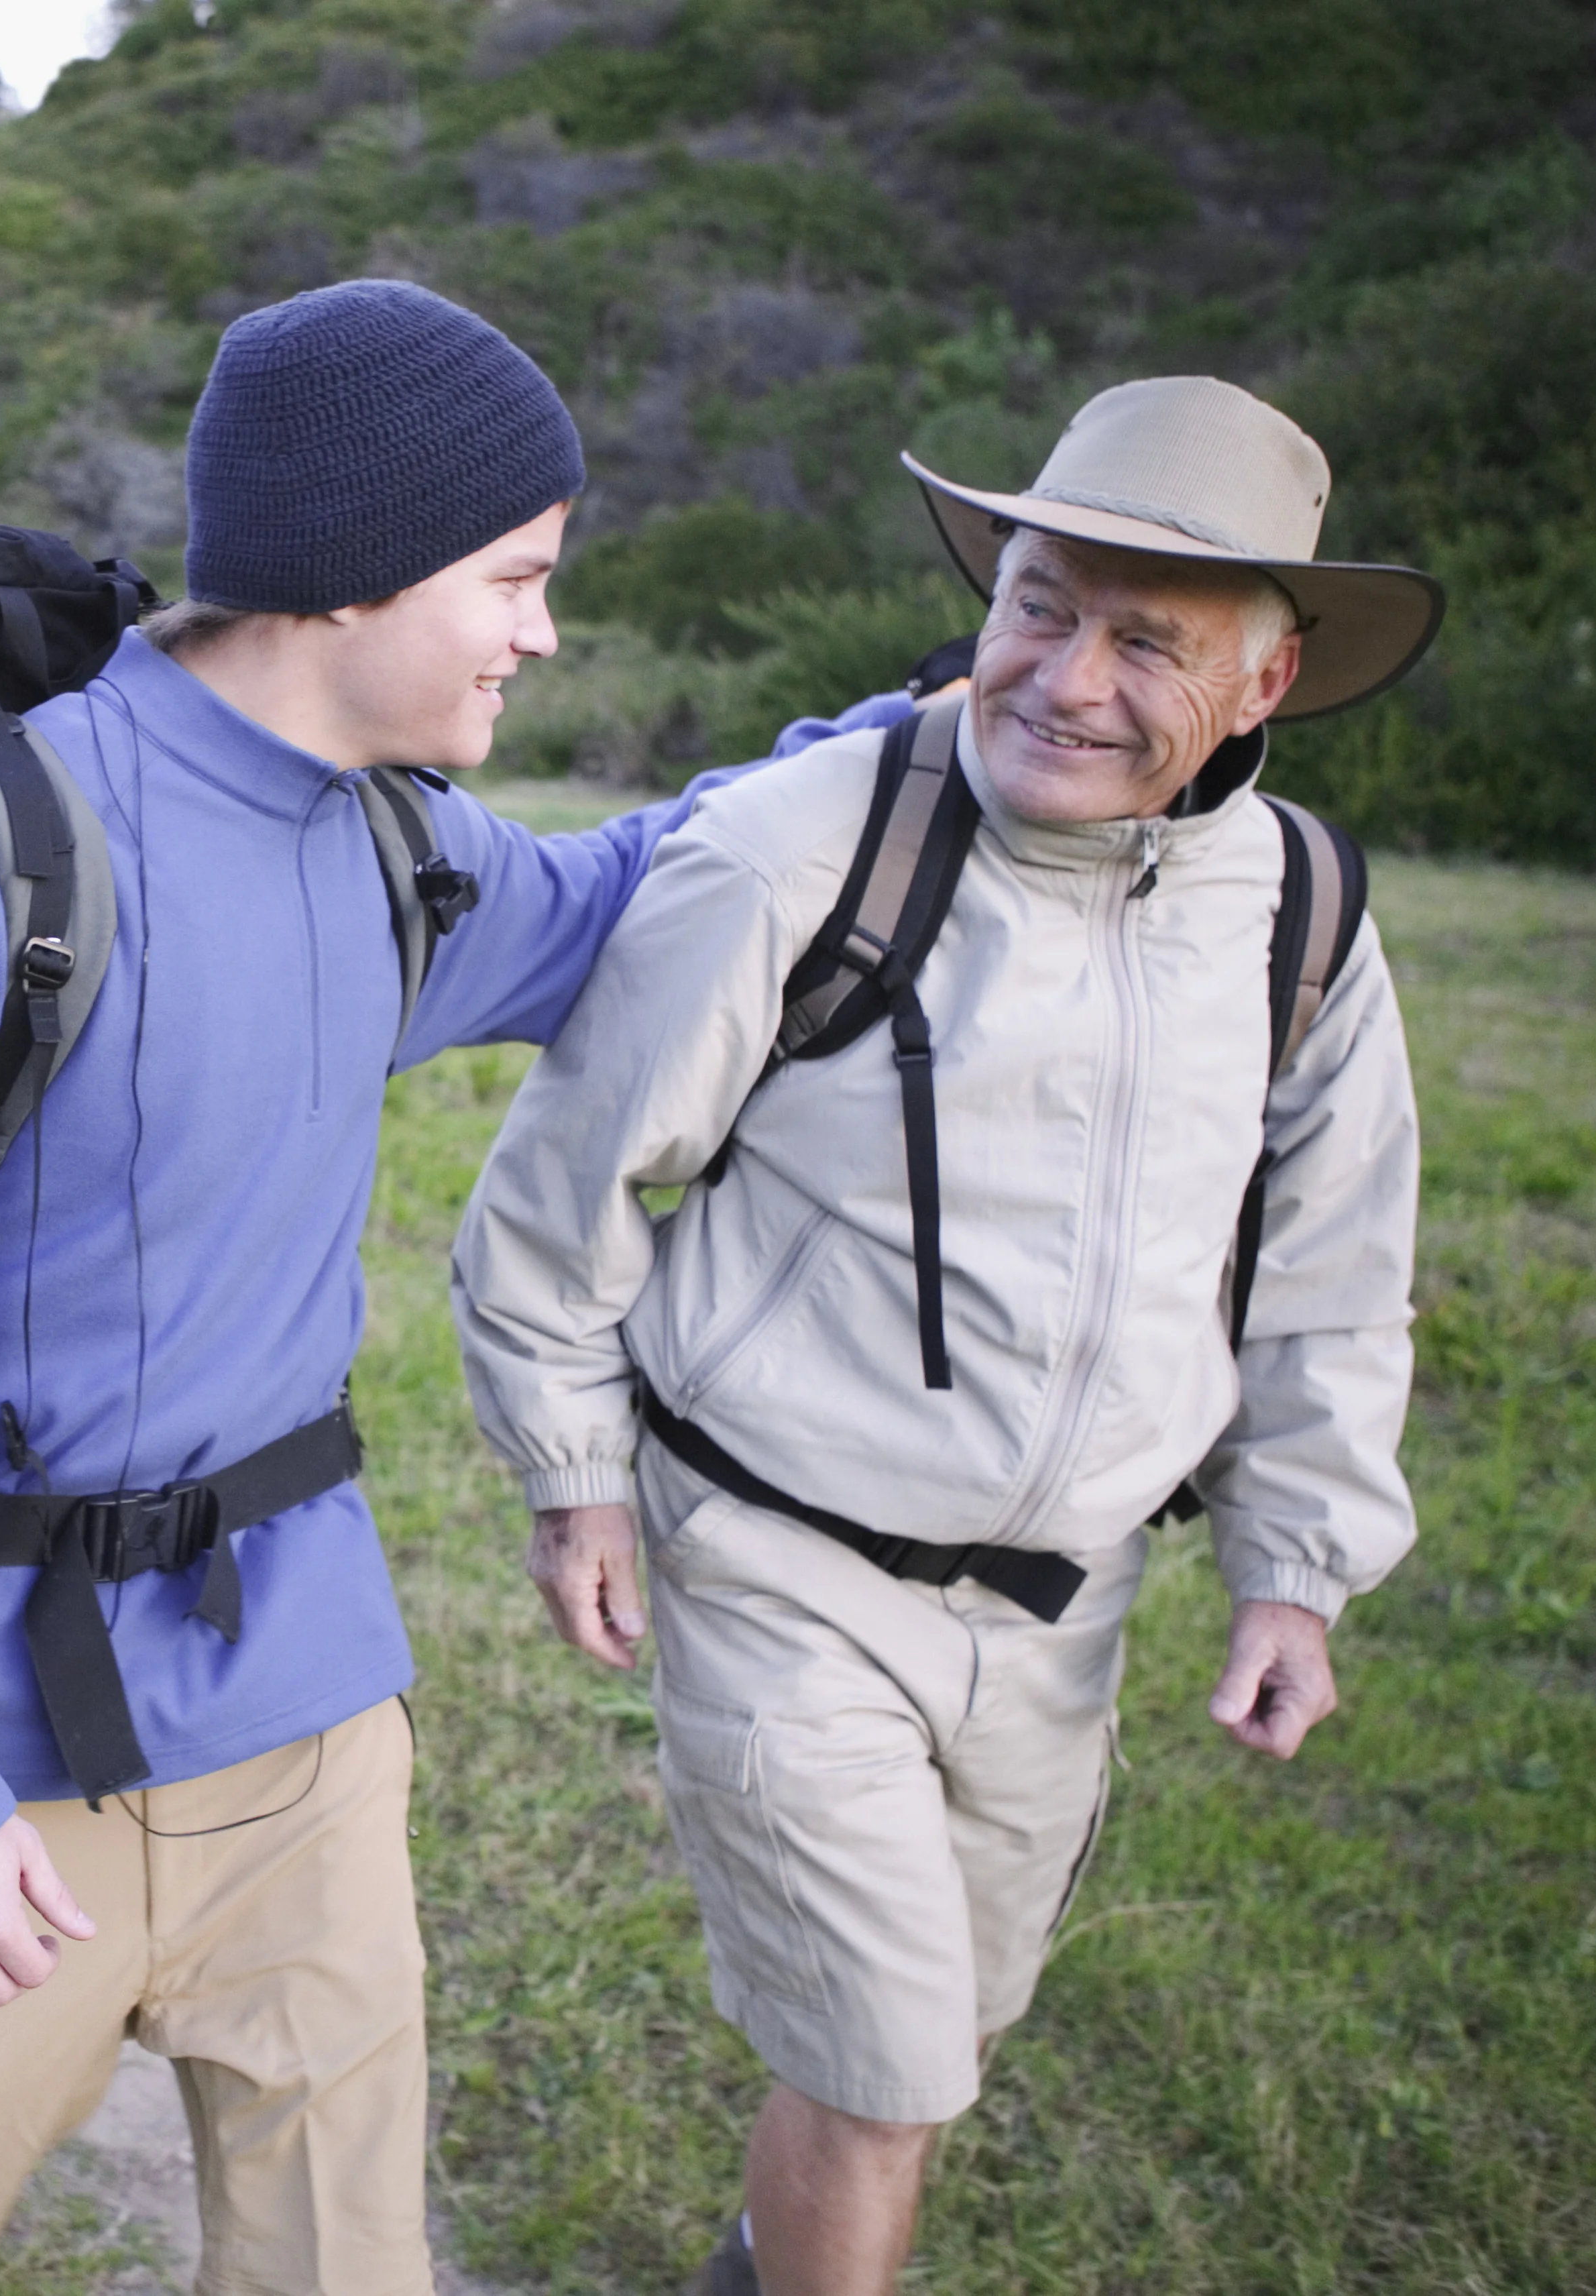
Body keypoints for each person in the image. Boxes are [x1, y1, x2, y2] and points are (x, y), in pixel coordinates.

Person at [0, 278, 904, 2296]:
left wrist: (912, 742)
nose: (542, 627)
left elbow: (644, 896)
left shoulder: (405, 853)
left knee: (343, 2260)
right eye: (513, 574)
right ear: (348, 570)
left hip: (306, 1715)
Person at [450, 376, 1440, 2296]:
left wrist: (1295, 1571)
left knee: (931, 2053)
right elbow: (557, 1196)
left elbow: (1334, 1259)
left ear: (1268, 679)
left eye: (1150, 639)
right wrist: (575, 1479)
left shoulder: (1298, 907)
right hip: (782, 1561)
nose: (1069, 677)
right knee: (885, 2070)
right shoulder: (806, 843)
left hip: (1063, 1616)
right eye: (1041, 606)